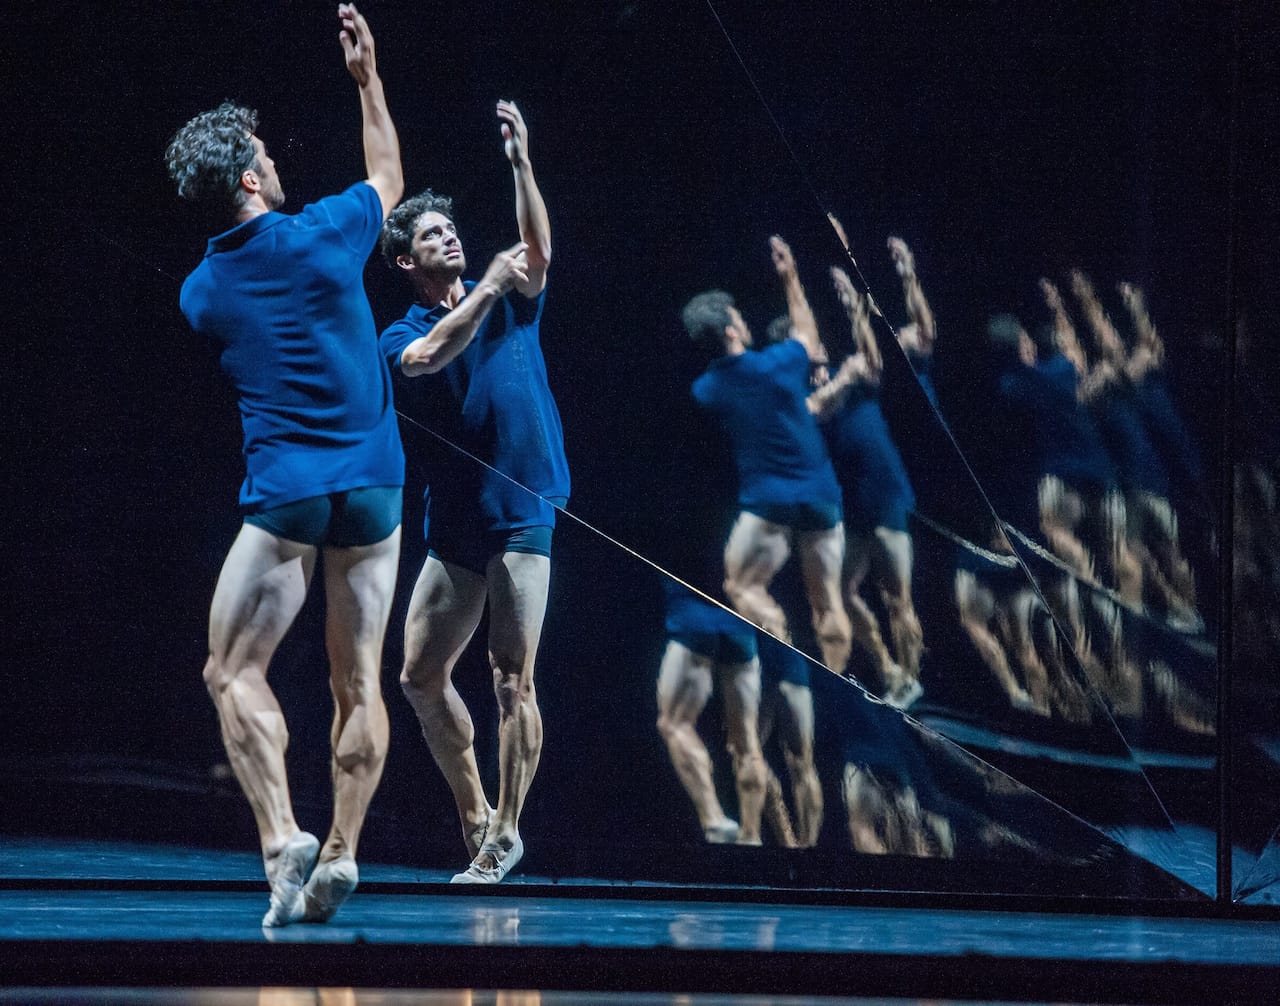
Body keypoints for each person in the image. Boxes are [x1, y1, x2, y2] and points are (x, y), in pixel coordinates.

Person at [166, 4, 404, 926]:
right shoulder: (325, 234)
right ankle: (337, 852)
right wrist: (367, 78)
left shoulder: (200, 292)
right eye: (264, 154)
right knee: (360, 681)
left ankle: (282, 842)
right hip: (374, 487)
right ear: (254, 178)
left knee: (230, 670)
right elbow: (387, 172)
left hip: (289, 498)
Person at [379, 100, 565, 884]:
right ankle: (477, 810)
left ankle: (506, 833)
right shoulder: (399, 333)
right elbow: (425, 359)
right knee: (418, 677)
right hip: (455, 521)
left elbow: (538, 252)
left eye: (450, 229)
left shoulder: (515, 300)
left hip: (524, 506)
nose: (448, 237)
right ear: (407, 263)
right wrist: (484, 287)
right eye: (430, 236)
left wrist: (521, 165)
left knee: (510, 676)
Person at [682, 238, 853, 678]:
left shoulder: (707, 390)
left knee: (742, 587)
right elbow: (807, 337)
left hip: (768, 505)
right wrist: (790, 276)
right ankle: (838, 690)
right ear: (733, 329)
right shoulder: (778, 364)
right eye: (737, 317)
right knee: (827, 601)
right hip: (819, 495)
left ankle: (785, 644)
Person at [657, 581, 767, 845]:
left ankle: (714, 820)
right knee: (747, 741)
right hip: (740, 624)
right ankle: (751, 835)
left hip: (693, 617)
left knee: (674, 724)